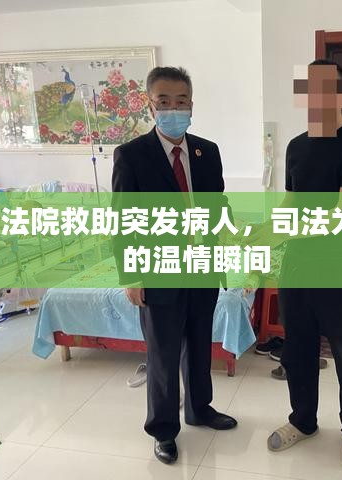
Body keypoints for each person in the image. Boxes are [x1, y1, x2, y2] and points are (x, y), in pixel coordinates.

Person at [111, 66, 237, 465]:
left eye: (181, 101)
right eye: (164, 101)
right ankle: (163, 430)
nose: (173, 109)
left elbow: (218, 205)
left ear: (191, 105)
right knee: (163, 356)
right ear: (150, 106)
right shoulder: (131, 155)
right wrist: (131, 276)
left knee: (200, 346)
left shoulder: (207, 151)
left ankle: (199, 409)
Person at [266, 60, 342, 470]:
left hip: (340, 268)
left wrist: (280, 231)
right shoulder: (297, 146)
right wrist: (263, 231)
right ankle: (303, 421)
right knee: (297, 352)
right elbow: (290, 203)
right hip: (298, 268)